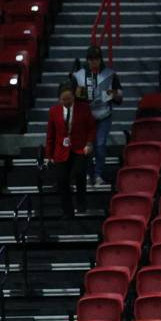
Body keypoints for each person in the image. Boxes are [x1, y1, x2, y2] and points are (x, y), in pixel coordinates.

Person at [70, 45, 122, 188]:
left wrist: (112, 94)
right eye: (91, 59)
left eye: (96, 59)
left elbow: (119, 95)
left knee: (100, 145)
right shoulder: (78, 75)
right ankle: (87, 174)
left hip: (103, 115)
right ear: (87, 60)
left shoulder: (109, 74)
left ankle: (98, 174)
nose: (94, 62)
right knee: (87, 147)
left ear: (100, 59)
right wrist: (79, 95)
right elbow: (71, 95)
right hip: (86, 117)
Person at [44, 82, 91, 217]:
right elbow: (50, 135)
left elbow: (91, 128)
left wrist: (89, 143)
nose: (67, 101)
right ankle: (67, 210)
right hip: (61, 150)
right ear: (59, 99)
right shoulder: (54, 111)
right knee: (62, 180)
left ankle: (81, 203)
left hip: (79, 148)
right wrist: (48, 156)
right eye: (64, 99)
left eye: (69, 98)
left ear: (73, 97)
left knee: (80, 173)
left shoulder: (84, 108)